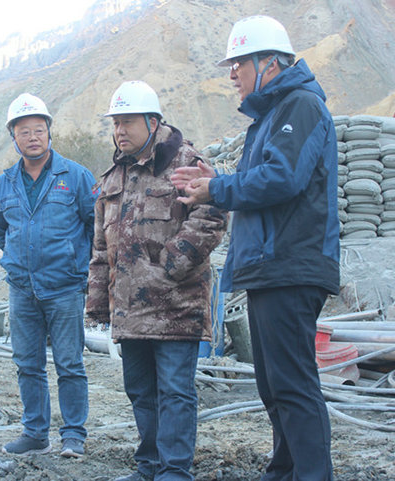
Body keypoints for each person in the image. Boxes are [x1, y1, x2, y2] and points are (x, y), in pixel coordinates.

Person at [172, 15, 340, 481]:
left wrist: (216, 189)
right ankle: (285, 470)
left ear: (270, 63)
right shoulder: (272, 116)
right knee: (273, 383)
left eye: (239, 64)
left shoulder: (300, 105)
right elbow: (263, 180)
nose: (232, 74)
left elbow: (282, 178)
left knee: (292, 384)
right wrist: (219, 182)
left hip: (291, 264)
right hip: (272, 267)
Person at [86, 80, 228, 481]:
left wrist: (169, 267)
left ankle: (174, 471)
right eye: (116, 123)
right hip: (130, 309)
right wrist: (98, 304)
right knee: (140, 390)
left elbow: (212, 215)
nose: (120, 131)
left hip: (175, 306)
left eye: (128, 122)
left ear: (153, 122)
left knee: (175, 391)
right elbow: (101, 246)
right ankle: (149, 466)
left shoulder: (185, 162)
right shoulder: (113, 177)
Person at [0, 93, 97, 458]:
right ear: (13, 137)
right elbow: (0, 232)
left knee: (70, 364)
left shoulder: (77, 176)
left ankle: (74, 435)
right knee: (27, 365)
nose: (32, 137)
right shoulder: (4, 183)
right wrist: (21, 260)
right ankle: (35, 433)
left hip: (65, 287)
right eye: (24, 131)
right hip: (22, 288)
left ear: (50, 132)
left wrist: (78, 264)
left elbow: (96, 226)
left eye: (38, 129)